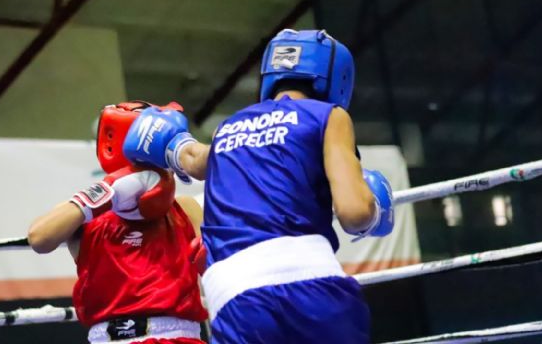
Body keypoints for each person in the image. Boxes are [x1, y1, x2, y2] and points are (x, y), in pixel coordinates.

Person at [123, 29, 395, 343]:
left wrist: (174, 145)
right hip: (308, 281)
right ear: (337, 78)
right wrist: (373, 207)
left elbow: (195, 160)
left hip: (234, 295)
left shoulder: (227, 129)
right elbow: (354, 212)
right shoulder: (328, 117)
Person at [27, 101, 208, 344]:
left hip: (176, 334)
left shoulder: (185, 208)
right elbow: (39, 238)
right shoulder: (86, 216)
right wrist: (102, 194)